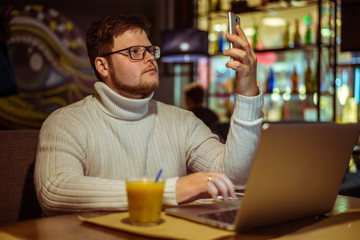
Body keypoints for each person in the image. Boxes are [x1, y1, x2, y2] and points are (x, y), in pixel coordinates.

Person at [34, 13, 264, 216]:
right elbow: (55, 191)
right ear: (103, 66)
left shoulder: (181, 121)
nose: (150, 57)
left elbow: (236, 180)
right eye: (135, 52)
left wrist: (247, 91)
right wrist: (169, 191)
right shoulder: (66, 122)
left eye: (150, 50)